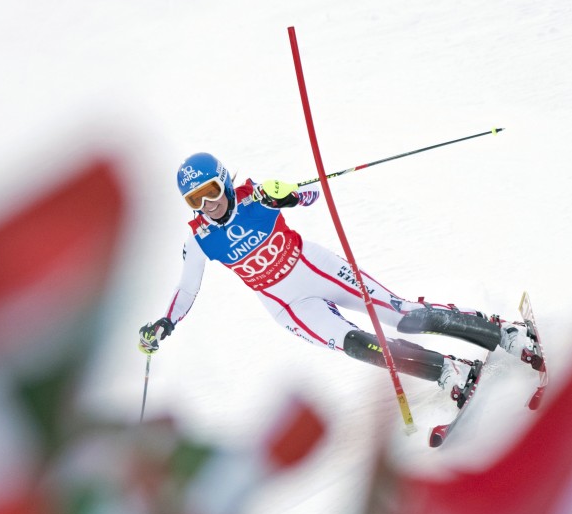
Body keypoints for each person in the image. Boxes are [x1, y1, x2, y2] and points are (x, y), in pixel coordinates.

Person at [139, 152, 543, 401]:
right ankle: (447, 371)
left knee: (404, 316)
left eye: (211, 191)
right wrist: (166, 322)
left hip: (318, 270)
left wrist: (291, 195)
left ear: (224, 180)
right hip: (290, 307)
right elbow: (187, 287)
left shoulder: (254, 196)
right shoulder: (200, 239)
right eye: (196, 200)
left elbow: (314, 196)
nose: (208, 204)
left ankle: (504, 332)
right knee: (360, 345)